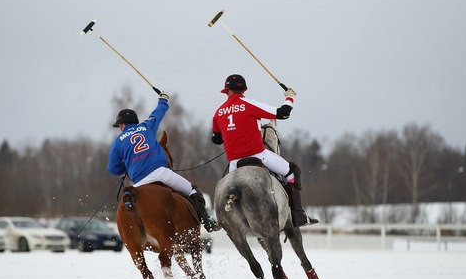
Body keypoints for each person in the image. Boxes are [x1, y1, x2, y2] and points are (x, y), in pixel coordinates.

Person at [107, 91, 220, 232]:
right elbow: (158, 113)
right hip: (161, 173)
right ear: (135, 122)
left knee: (131, 200)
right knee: (193, 191)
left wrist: (126, 166)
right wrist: (163, 100)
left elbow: (113, 169)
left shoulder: (118, 142)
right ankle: (207, 222)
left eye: (120, 126)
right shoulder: (146, 126)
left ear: (122, 125)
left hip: (140, 181)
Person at [211, 74, 312, 227]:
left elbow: (216, 139)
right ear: (244, 89)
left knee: (223, 189)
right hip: (259, 155)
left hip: (234, 163)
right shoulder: (250, 104)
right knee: (292, 171)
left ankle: (219, 219)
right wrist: (289, 97)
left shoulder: (218, 112)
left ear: (227, 91)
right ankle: (298, 215)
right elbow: (283, 113)